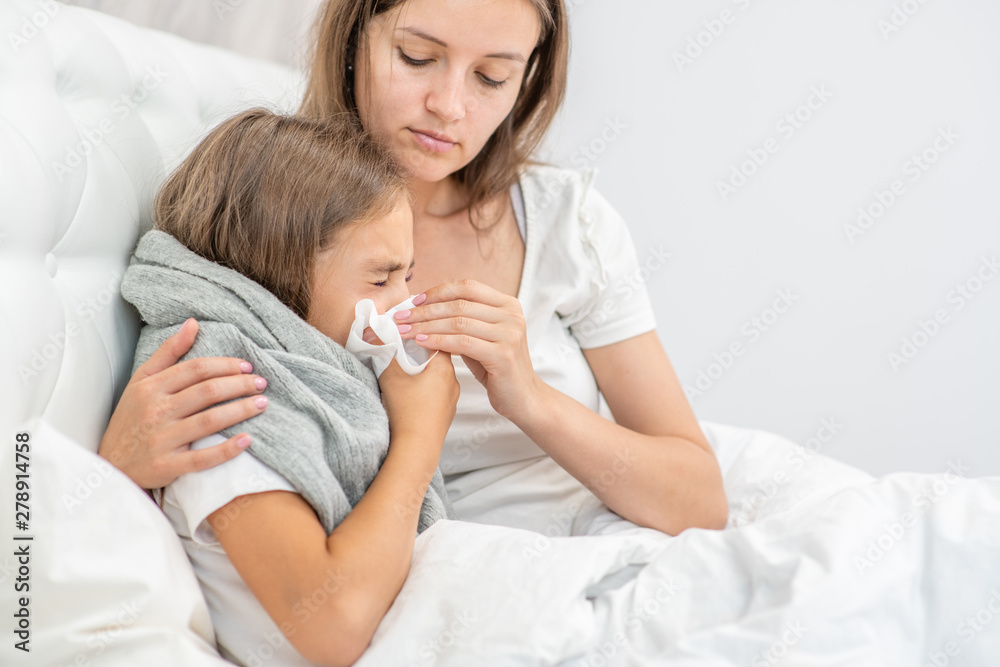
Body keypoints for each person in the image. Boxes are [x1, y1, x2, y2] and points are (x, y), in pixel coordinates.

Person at [102, 0, 727, 543]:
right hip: (443, 573)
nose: (448, 106)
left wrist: (530, 399)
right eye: (417, 57)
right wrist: (117, 465)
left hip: (609, 539)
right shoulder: (273, 218)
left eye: (491, 76)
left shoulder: (570, 223)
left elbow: (699, 501)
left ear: (527, 79)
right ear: (354, 40)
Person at [121, 108, 460, 666]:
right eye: (380, 278)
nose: (403, 303)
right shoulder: (217, 393)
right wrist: (421, 436)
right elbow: (333, 628)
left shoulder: (313, 371)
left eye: (408, 275)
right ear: (275, 270)